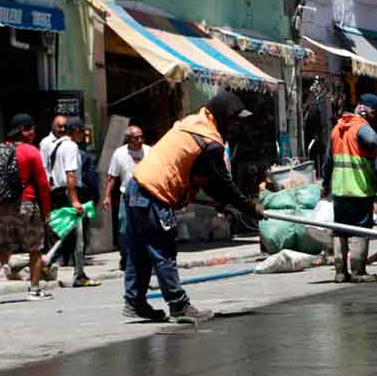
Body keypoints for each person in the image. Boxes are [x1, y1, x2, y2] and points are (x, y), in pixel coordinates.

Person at [124, 91, 264, 323]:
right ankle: (179, 306)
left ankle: (135, 301)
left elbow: (203, 177)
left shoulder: (192, 123)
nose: (236, 126)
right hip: (154, 194)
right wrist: (250, 207)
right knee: (163, 251)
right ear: (221, 116)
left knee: (140, 251)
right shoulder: (211, 143)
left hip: (136, 186)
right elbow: (222, 184)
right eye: (234, 120)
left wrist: (223, 203)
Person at [326, 93, 377, 283]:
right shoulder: (361, 127)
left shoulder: (336, 129)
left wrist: (325, 186)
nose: (374, 118)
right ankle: (358, 272)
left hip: (339, 190)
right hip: (359, 188)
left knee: (340, 230)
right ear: (368, 110)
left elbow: (328, 161)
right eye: (374, 114)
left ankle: (340, 273)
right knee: (360, 230)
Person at [0, 114, 54, 305]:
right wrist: (47, 210)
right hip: (26, 203)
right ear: (24, 130)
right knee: (35, 248)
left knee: (4, 247)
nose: (34, 133)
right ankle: (34, 290)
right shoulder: (30, 151)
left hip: (1, 206)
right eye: (32, 129)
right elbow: (43, 185)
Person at [46, 117, 98, 288]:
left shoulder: (57, 146)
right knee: (77, 236)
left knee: (70, 235)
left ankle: (77, 272)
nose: (83, 135)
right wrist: (75, 200)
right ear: (75, 130)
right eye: (82, 131)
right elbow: (71, 174)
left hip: (60, 193)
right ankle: (46, 262)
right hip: (70, 193)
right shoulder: (70, 146)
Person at [104, 125, 149, 271]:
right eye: (137, 137)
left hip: (147, 194)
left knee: (146, 228)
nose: (140, 140)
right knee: (124, 228)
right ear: (129, 139)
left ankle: (145, 259)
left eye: (142, 136)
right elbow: (112, 176)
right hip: (127, 196)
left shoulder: (150, 151)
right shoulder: (119, 153)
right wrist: (107, 196)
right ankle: (125, 256)